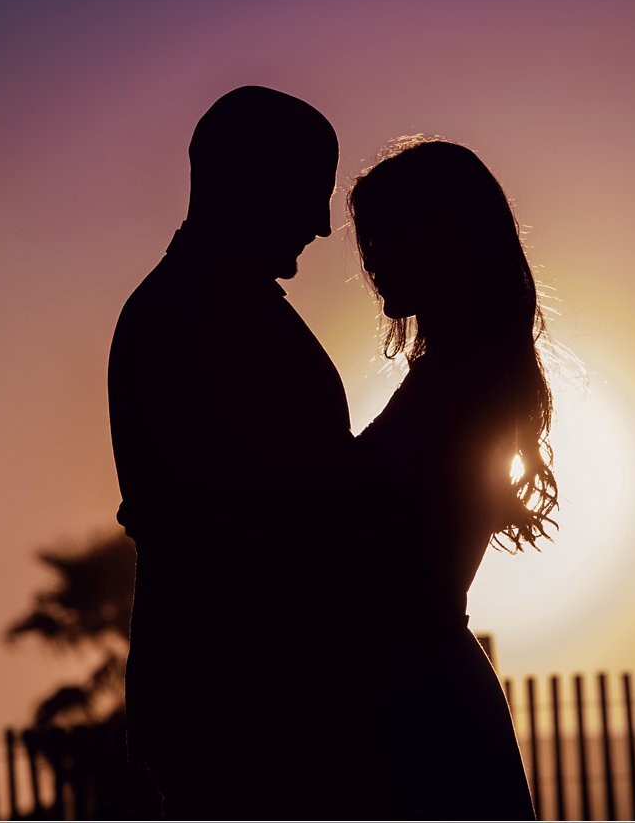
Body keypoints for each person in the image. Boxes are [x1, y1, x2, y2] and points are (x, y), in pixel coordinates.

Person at [107, 86, 382, 818]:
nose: (324, 228)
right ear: (251, 179)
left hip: (250, 699)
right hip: (243, 703)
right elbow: (258, 516)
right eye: (309, 193)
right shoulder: (187, 316)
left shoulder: (204, 305)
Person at [347, 138, 553, 819]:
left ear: (440, 238)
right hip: (423, 695)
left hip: (420, 710)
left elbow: (385, 555)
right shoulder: (463, 378)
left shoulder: (458, 386)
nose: (370, 256)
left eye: (384, 233)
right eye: (365, 238)